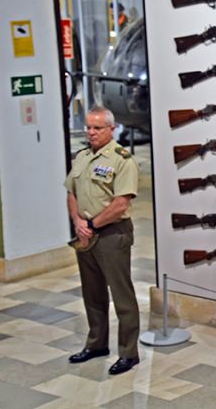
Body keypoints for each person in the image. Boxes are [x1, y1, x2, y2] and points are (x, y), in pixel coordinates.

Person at [64, 106, 140, 375]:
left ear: (112, 129)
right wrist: (78, 223)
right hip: (86, 233)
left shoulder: (122, 160)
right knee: (92, 293)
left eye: (97, 128)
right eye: (88, 127)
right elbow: (71, 192)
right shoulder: (82, 156)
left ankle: (129, 353)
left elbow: (120, 204)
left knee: (122, 295)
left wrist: (93, 225)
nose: (91, 132)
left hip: (111, 235)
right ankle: (96, 344)